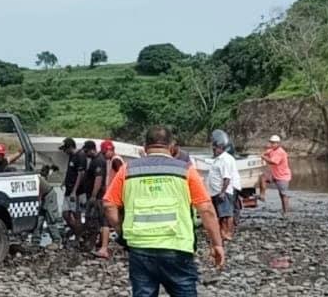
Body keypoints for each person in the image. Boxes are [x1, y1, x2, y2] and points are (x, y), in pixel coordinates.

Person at [103, 126, 225, 297]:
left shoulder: (127, 170)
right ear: (172, 146)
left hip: (140, 248)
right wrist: (217, 244)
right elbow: (207, 210)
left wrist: (120, 230)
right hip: (177, 247)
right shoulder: (185, 170)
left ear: (145, 146)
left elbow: (109, 204)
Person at [94, 139, 124, 259]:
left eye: (104, 152)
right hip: (115, 196)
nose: (104, 155)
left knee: (106, 221)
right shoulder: (113, 160)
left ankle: (104, 248)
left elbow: (122, 175)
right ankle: (107, 246)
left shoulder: (116, 161)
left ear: (110, 150)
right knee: (116, 222)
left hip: (114, 197)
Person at [206, 131, 237, 241]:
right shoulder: (218, 159)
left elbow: (227, 178)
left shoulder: (224, 160)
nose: (213, 151)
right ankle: (222, 232)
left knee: (226, 214)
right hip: (215, 192)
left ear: (220, 147)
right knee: (220, 214)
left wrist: (223, 192)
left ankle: (228, 233)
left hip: (223, 192)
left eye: (214, 149)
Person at [60, 137, 88, 244]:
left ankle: (78, 237)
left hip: (77, 192)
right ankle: (78, 231)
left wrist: (74, 192)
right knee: (65, 214)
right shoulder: (71, 156)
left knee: (77, 215)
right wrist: (64, 181)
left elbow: (80, 175)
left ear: (70, 147)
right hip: (69, 189)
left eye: (65, 149)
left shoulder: (80, 156)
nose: (64, 152)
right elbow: (70, 171)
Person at [81, 141, 106, 255]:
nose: (85, 154)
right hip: (93, 195)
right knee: (92, 219)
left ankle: (90, 244)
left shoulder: (98, 161)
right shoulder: (94, 160)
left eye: (86, 151)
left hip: (96, 196)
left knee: (93, 220)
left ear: (92, 150)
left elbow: (98, 179)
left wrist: (93, 196)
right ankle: (91, 243)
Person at [259, 135, 292, 216]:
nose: (272, 144)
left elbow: (273, 162)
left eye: (274, 143)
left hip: (283, 176)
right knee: (263, 177)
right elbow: (267, 152)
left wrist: (263, 157)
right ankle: (262, 195)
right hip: (275, 174)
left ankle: (286, 212)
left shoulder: (280, 152)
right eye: (271, 143)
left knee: (283, 194)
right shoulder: (272, 150)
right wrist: (263, 154)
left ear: (278, 143)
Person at [33, 164, 63, 245]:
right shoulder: (38, 177)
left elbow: (38, 194)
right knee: (39, 219)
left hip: (49, 195)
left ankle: (57, 241)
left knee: (50, 219)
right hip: (44, 196)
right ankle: (36, 240)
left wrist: (38, 204)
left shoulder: (36, 179)